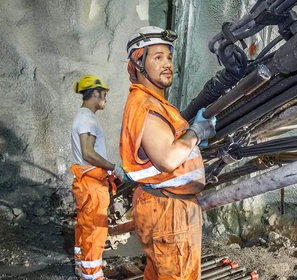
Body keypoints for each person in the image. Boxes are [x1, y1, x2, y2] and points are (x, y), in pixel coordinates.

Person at [120, 26, 217, 279]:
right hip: (168, 212)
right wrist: (196, 133)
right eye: (158, 57)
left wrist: (190, 142)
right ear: (138, 64)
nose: (167, 64)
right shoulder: (146, 105)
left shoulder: (154, 103)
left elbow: (173, 147)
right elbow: (167, 159)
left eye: (169, 57)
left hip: (167, 207)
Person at [70, 75, 125, 280]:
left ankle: (81, 267)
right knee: (95, 230)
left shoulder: (82, 117)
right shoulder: (87, 119)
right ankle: (92, 276)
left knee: (84, 225)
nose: (106, 98)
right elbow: (88, 152)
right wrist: (113, 167)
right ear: (95, 93)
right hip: (93, 184)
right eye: (104, 94)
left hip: (86, 181)